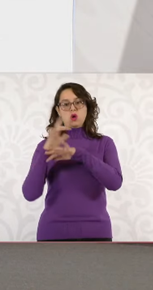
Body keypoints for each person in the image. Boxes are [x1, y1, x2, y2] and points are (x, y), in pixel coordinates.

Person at [22, 82, 123, 242]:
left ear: (87, 106)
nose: (73, 108)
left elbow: (115, 183)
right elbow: (30, 194)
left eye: (78, 102)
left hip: (97, 232)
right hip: (52, 233)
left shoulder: (104, 143)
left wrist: (80, 155)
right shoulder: (45, 146)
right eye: (66, 104)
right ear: (58, 110)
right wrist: (45, 151)